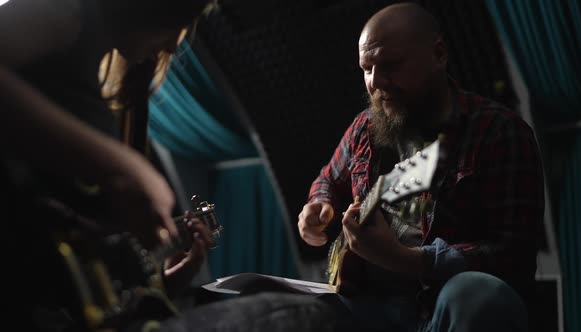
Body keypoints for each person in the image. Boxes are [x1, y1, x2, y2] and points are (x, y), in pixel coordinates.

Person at [0, 0, 337, 331]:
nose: (173, 46)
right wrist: (126, 168)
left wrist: (169, 283)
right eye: (180, 20)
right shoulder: (65, 9)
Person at [298, 2, 545, 332]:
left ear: (439, 54)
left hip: (440, 309)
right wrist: (319, 206)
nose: (376, 82)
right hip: (366, 307)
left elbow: (514, 254)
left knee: (480, 295)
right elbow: (329, 178)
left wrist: (409, 260)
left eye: (391, 65)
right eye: (367, 69)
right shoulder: (364, 128)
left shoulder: (499, 132)